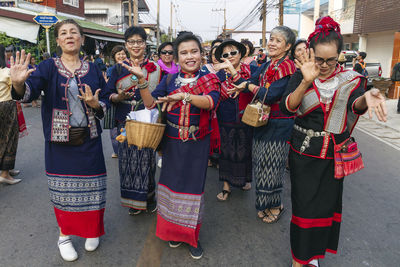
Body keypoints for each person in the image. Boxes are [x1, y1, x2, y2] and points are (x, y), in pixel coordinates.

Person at [280, 17, 387, 267]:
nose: (325, 65)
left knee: (324, 209)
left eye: (331, 59)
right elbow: (288, 107)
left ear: (339, 55)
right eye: (319, 59)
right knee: (304, 209)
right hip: (304, 156)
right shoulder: (300, 75)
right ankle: (299, 259)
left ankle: (314, 255)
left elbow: (355, 104)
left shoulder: (351, 79)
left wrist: (368, 96)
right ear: (310, 53)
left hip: (333, 158)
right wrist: (306, 80)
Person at [10, 19, 110, 262]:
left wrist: (97, 105)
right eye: (63, 33)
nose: (69, 36)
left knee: (94, 190)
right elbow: (29, 90)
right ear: (57, 41)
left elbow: (104, 101)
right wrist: (18, 83)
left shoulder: (94, 69)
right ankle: (64, 236)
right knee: (63, 193)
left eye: (74, 32)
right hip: (59, 143)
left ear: (82, 39)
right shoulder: (48, 67)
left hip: (90, 141)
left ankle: (91, 231)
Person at [137, 31, 221, 259]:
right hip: (172, 144)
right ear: (176, 57)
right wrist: (142, 81)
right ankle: (173, 233)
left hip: (197, 144)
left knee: (193, 191)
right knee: (171, 189)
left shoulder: (210, 79)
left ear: (202, 55)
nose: (190, 56)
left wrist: (184, 96)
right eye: (184, 53)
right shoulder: (170, 80)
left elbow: (210, 102)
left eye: (194, 51)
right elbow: (151, 103)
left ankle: (192, 237)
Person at [228, 26, 297, 224]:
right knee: (261, 165)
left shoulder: (287, 67)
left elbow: (271, 94)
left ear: (288, 46)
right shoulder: (268, 65)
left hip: (278, 125)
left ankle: (276, 205)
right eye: (271, 39)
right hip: (262, 122)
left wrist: (247, 86)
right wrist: (237, 77)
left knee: (273, 166)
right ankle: (265, 204)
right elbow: (249, 81)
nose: (272, 43)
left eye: (277, 40)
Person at [105, 26, 162, 215]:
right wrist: (117, 97)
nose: (136, 46)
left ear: (145, 44)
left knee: (148, 160)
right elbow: (107, 94)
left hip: (148, 119)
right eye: (131, 42)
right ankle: (132, 202)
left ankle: (149, 197)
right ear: (126, 45)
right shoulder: (117, 69)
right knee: (127, 161)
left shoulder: (156, 69)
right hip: (125, 120)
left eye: (139, 41)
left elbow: (162, 94)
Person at [208, 39, 254, 200]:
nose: (230, 56)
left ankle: (244, 179)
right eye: (225, 54)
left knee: (245, 149)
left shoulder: (251, 71)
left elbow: (253, 91)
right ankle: (226, 186)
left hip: (246, 116)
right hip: (225, 117)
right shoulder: (219, 74)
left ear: (241, 54)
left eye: (233, 52)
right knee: (226, 152)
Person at [0, 44, 21, 185]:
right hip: (6, 105)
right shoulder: (7, 72)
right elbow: (17, 92)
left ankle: (6, 168)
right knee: (10, 138)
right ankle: (5, 173)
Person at [106, 45, 128, 158]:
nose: (121, 56)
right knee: (114, 129)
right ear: (114, 57)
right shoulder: (112, 69)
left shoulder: (130, 68)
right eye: (118, 54)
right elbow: (109, 87)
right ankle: (117, 150)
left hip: (126, 102)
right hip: (115, 102)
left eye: (123, 53)